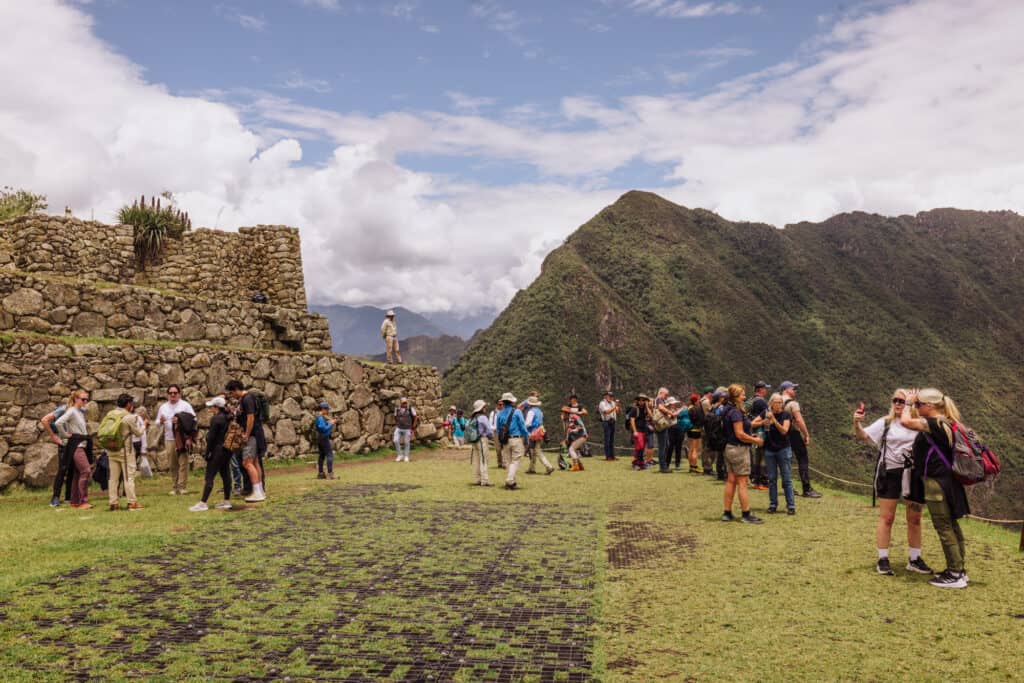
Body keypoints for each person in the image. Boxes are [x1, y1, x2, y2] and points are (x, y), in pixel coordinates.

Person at [854, 390, 932, 576]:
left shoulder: (917, 423)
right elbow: (863, 436)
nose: (898, 404)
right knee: (887, 518)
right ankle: (882, 558)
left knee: (915, 518)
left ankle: (914, 559)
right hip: (890, 472)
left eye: (902, 401)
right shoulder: (886, 423)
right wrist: (856, 422)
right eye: (895, 400)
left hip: (913, 473)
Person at [900, 388, 970, 588]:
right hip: (948, 480)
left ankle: (955, 574)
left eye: (919, 404)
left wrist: (907, 403)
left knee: (944, 526)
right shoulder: (947, 422)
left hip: (936, 483)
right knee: (951, 525)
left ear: (929, 407)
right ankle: (959, 569)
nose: (916, 407)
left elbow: (906, 421)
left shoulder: (935, 423)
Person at [721, 384, 764, 524]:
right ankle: (746, 513)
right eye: (742, 395)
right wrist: (755, 440)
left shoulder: (726, 409)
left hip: (729, 448)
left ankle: (727, 512)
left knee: (731, 480)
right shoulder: (736, 412)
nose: (744, 397)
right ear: (736, 397)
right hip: (739, 449)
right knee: (742, 482)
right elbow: (739, 434)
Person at [190, 396, 234, 512]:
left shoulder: (216, 419)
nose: (210, 409)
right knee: (226, 475)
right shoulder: (228, 417)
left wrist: (208, 452)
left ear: (216, 407)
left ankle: (203, 502)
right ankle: (226, 501)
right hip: (227, 449)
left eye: (211, 407)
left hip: (217, 450)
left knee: (209, 476)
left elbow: (211, 439)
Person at [225, 380, 266, 503]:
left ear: (236, 389)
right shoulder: (247, 398)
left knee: (247, 463)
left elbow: (250, 417)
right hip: (256, 434)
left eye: (232, 393)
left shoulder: (247, 399)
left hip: (252, 435)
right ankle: (259, 490)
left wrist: (246, 434)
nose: (232, 395)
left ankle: (257, 492)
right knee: (255, 462)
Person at [780, 381, 822, 498]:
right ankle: (806, 488)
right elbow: (798, 420)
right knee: (802, 457)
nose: (795, 390)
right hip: (792, 433)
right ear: (786, 390)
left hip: (779, 433)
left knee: (784, 459)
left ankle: (787, 487)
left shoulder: (774, 401)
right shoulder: (793, 404)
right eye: (793, 388)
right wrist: (806, 434)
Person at [105, 394, 146, 511]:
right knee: (129, 477)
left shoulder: (110, 414)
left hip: (112, 450)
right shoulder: (129, 417)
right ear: (128, 404)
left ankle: (113, 503)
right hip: (125, 451)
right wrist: (144, 426)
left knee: (113, 478)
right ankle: (132, 502)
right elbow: (138, 433)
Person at [55, 390, 93, 509]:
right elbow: (58, 422)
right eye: (83, 399)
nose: (85, 401)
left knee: (77, 473)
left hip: (81, 444)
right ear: (76, 399)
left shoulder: (79, 412)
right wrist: (65, 434)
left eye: (86, 399)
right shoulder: (72, 411)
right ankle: (83, 501)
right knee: (86, 470)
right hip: (77, 445)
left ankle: (75, 501)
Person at [156, 384, 196, 496]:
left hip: (182, 438)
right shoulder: (163, 407)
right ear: (167, 394)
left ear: (179, 394)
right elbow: (157, 423)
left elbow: (193, 419)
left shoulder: (185, 405)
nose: (173, 395)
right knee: (172, 464)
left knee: (183, 463)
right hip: (169, 438)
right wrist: (161, 421)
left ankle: (182, 487)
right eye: (170, 393)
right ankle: (175, 487)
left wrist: (180, 422)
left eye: (175, 393)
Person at [763, 393, 795, 515]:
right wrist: (763, 422)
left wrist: (774, 420)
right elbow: (753, 423)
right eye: (776, 402)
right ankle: (773, 504)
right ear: (770, 403)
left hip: (783, 449)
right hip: (769, 450)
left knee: (786, 479)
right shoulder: (766, 413)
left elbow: (784, 431)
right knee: (772, 479)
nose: (778, 404)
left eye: (780, 402)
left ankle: (791, 505)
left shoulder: (786, 415)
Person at [41, 393, 74, 507]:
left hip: (74, 442)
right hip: (64, 442)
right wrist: (54, 437)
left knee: (73, 469)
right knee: (63, 469)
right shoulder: (63, 409)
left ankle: (69, 497)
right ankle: (55, 497)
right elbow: (45, 420)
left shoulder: (79, 411)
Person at [495, 392, 528, 490]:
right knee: (516, 460)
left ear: (504, 402)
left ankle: (512, 482)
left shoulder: (499, 413)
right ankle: (509, 481)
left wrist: (500, 441)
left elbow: (498, 429)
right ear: (512, 401)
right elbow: (522, 426)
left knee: (509, 462)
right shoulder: (517, 412)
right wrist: (526, 437)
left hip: (505, 440)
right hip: (516, 438)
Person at [747, 381, 770, 489]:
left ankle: (756, 480)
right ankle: (763, 481)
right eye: (765, 388)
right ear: (761, 389)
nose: (766, 390)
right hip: (761, 431)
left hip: (752, 431)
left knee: (756, 456)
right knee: (764, 456)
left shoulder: (750, 400)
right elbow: (767, 416)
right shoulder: (761, 402)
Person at [523, 396, 554, 475]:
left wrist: (523, 428)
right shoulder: (540, 411)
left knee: (537, 451)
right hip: (540, 432)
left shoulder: (531, 412)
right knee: (533, 451)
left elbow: (528, 423)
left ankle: (549, 466)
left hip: (533, 433)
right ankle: (531, 468)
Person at [469, 399, 493, 486]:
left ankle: (477, 479)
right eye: (484, 407)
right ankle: (485, 480)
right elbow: (489, 430)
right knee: (483, 460)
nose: (485, 408)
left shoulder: (472, 418)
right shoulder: (483, 417)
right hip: (481, 440)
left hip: (474, 441)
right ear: (481, 408)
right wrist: (490, 436)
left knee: (476, 460)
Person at [627, 394, 651, 470]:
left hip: (644, 430)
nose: (642, 401)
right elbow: (632, 420)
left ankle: (641, 463)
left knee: (642, 447)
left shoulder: (645, 409)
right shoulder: (635, 409)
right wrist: (634, 431)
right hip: (637, 430)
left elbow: (651, 416)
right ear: (637, 401)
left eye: (644, 400)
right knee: (639, 447)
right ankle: (636, 463)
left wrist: (647, 406)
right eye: (640, 400)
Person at [652, 387, 673, 470]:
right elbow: (661, 408)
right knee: (662, 447)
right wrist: (670, 412)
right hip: (661, 426)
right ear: (661, 393)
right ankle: (663, 466)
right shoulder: (659, 400)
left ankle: (664, 464)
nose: (666, 396)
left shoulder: (658, 400)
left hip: (661, 425)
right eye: (665, 394)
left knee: (666, 445)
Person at [315, 402, 336, 479]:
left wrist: (328, 422)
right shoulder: (320, 418)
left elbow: (322, 426)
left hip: (320, 438)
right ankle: (330, 474)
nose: (327, 411)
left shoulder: (319, 417)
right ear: (323, 409)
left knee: (322, 456)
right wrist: (331, 424)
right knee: (329, 455)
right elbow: (323, 429)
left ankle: (321, 473)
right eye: (326, 409)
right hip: (324, 438)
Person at [664, 397, 686, 472]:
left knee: (678, 447)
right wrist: (681, 409)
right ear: (670, 404)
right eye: (673, 403)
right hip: (671, 429)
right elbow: (672, 415)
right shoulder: (667, 410)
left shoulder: (676, 409)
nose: (675, 404)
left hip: (679, 429)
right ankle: (667, 463)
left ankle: (677, 463)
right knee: (670, 447)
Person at [597, 390, 620, 461]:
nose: (610, 397)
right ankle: (608, 456)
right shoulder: (602, 403)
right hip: (606, 422)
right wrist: (615, 407)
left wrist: (618, 406)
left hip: (613, 422)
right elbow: (606, 412)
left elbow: (618, 412)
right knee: (607, 439)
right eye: (609, 396)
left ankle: (612, 455)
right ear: (605, 396)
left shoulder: (613, 403)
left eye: (611, 396)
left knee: (612, 440)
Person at [394, 397, 418, 462]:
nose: (405, 404)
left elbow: (415, 417)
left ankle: (406, 456)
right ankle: (400, 455)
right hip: (399, 427)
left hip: (407, 428)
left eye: (405, 403)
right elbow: (395, 417)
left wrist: (413, 427)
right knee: (395, 440)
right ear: (400, 403)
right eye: (403, 403)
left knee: (406, 442)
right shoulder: (397, 409)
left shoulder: (410, 408)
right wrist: (398, 423)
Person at [698, 385, 715, 476]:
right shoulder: (706, 402)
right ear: (709, 393)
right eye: (712, 393)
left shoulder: (701, 401)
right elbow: (711, 413)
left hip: (704, 427)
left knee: (706, 447)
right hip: (707, 428)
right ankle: (707, 467)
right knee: (708, 448)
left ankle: (707, 467)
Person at [132, 406, 153, 478]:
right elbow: (143, 434)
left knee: (132, 458)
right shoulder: (139, 419)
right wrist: (144, 448)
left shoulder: (129, 417)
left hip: (130, 441)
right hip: (137, 442)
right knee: (134, 459)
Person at [684, 393, 702, 473]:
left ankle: (691, 466)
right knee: (695, 449)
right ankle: (695, 466)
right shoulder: (696, 409)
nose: (700, 401)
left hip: (689, 430)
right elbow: (701, 419)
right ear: (695, 401)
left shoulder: (689, 408)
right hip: (696, 430)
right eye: (698, 399)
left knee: (691, 448)